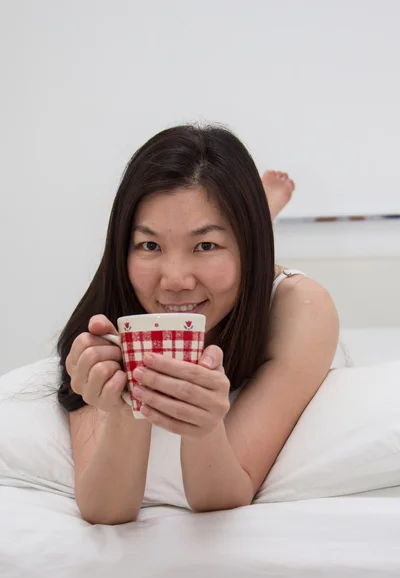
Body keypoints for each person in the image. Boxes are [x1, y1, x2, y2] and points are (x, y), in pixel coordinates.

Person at [57, 124, 343, 525]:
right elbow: (106, 511)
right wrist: (124, 408)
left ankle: (257, 217)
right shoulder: (105, 319)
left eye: (205, 245)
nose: (174, 280)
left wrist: (204, 429)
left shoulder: (302, 307)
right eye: (150, 245)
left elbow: (220, 497)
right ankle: (249, 218)